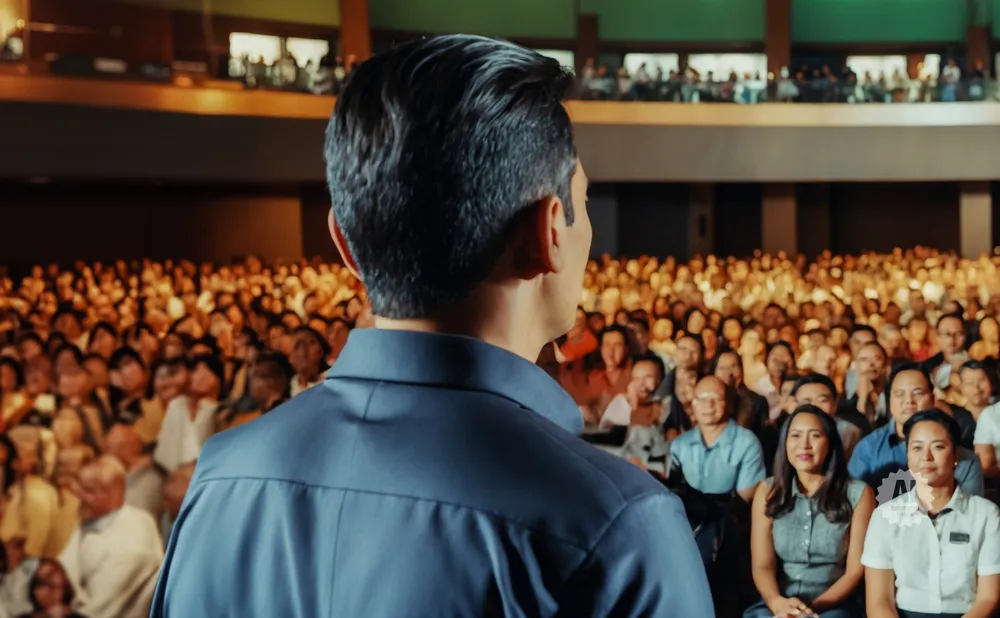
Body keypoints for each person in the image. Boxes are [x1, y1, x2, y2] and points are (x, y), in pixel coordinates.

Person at [151, 36, 711, 617]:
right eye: (583, 203)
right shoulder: (618, 525)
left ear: (344, 244)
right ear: (549, 233)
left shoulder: (221, 475)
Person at [862, 409, 1000, 618]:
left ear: (956, 455)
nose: (926, 457)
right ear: (907, 455)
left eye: (937, 447)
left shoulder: (986, 515)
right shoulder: (885, 516)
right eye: (917, 447)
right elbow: (879, 600)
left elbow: (988, 598)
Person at [744, 405, 873, 618]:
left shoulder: (858, 494)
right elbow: (762, 565)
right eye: (795, 436)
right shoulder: (768, 492)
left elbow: (854, 572)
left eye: (815, 436)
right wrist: (777, 603)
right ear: (785, 443)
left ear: (830, 443)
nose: (804, 445)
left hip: (833, 604)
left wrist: (810, 610)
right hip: (779, 601)